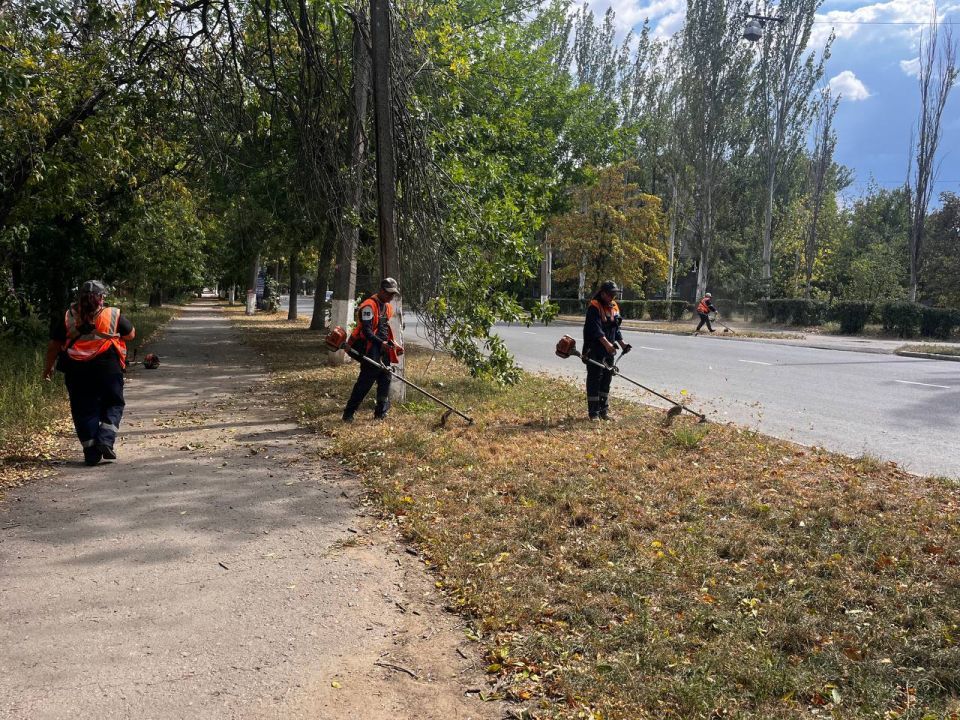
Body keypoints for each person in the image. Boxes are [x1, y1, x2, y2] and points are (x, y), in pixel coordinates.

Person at [42, 281, 136, 466]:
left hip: (77, 371)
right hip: (107, 368)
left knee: (83, 409)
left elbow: (54, 346)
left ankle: (91, 452)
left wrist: (48, 368)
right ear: (101, 297)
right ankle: (106, 439)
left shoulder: (68, 317)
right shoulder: (112, 314)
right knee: (114, 403)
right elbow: (131, 334)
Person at [342, 277, 401, 422]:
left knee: (385, 379)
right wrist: (382, 343)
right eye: (389, 293)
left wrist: (393, 344)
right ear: (381, 291)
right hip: (369, 347)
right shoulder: (368, 306)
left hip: (383, 347)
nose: (391, 296)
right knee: (365, 382)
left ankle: (380, 414)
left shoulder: (387, 307)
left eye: (393, 294)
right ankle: (348, 414)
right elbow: (367, 333)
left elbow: (383, 328)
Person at [582, 280, 631, 421]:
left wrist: (622, 344)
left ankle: (603, 411)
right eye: (610, 294)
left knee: (606, 379)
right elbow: (595, 330)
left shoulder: (614, 306)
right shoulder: (594, 307)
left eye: (614, 294)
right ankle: (593, 414)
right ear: (603, 293)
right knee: (594, 380)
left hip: (608, 351)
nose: (612, 297)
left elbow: (615, 328)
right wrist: (607, 344)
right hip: (594, 350)